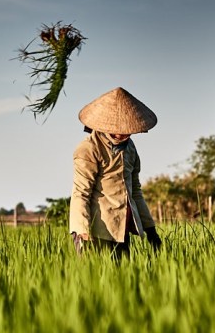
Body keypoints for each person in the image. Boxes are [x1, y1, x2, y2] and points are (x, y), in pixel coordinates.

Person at [69, 87, 162, 259]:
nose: (127, 132)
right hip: (97, 230)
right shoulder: (88, 149)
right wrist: (82, 231)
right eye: (122, 128)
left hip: (121, 227)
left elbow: (135, 190)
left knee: (123, 280)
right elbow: (80, 193)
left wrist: (150, 229)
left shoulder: (130, 147)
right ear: (108, 126)